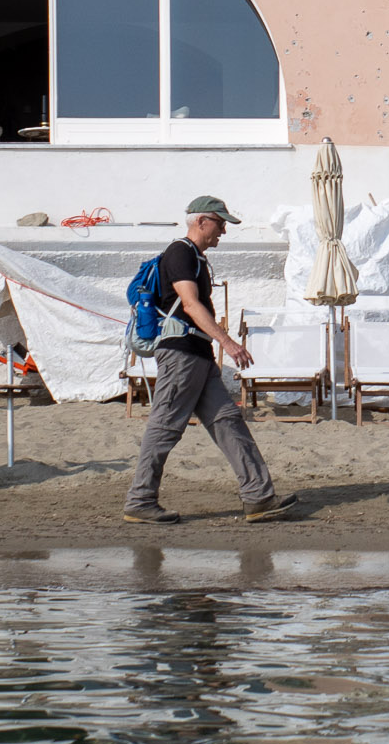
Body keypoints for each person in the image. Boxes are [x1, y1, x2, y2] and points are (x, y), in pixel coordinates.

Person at [122, 196, 301, 525]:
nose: (223, 231)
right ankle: (140, 500)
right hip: (181, 353)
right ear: (200, 221)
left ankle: (259, 498)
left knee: (228, 422)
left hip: (197, 354)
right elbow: (190, 305)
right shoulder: (180, 252)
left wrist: (215, 346)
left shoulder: (195, 257)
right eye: (220, 224)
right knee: (165, 426)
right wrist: (227, 342)